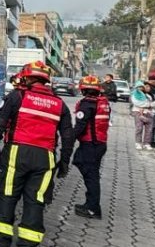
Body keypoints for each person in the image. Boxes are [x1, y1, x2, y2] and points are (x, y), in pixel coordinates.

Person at [0, 60, 73, 247]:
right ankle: (28, 242)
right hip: (45, 157)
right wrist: (64, 162)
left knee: (7, 194)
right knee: (36, 199)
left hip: (17, 152)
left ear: (28, 77)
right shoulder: (59, 104)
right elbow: (68, 136)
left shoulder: (17, 96)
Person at [71, 75, 110, 220]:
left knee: (91, 176)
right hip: (99, 143)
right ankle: (90, 204)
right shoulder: (103, 102)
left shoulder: (87, 104)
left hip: (90, 144)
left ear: (83, 90)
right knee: (85, 167)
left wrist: (69, 138)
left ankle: (93, 208)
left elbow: (80, 126)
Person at [130, 80, 155, 150]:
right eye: (145, 86)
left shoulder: (152, 95)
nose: (147, 88)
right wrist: (149, 105)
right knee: (139, 128)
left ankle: (147, 143)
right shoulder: (135, 94)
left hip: (149, 113)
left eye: (149, 87)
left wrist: (148, 106)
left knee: (149, 129)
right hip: (138, 112)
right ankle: (138, 143)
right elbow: (137, 103)